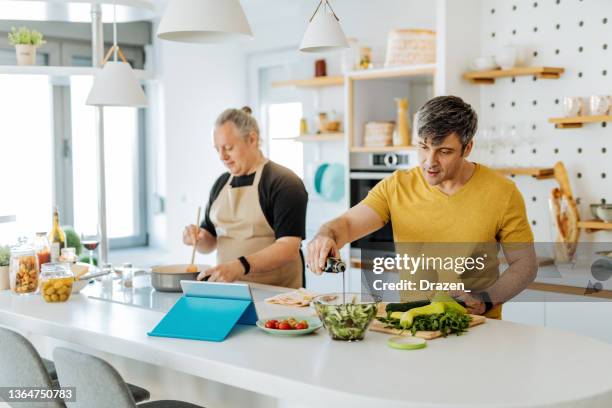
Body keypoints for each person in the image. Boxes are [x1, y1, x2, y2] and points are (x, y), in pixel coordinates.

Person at [306, 96, 537, 318]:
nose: (429, 161)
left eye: (444, 151)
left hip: (478, 327)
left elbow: (524, 263)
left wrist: (486, 299)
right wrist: (326, 236)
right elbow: (346, 225)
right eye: (423, 147)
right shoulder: (397, 186)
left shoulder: (503, 193)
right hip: (415, 324)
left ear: (467, 148)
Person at [183, 107, 308, 288]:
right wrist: (197, 238)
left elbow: (289, 247)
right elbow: (209, 243)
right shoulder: (221, 183)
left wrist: (241, 266)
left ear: (252, 139)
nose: (222, 156)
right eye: (217, 149)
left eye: (228, 148)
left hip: (276, 294)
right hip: (230, 289)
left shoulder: (284, 182)